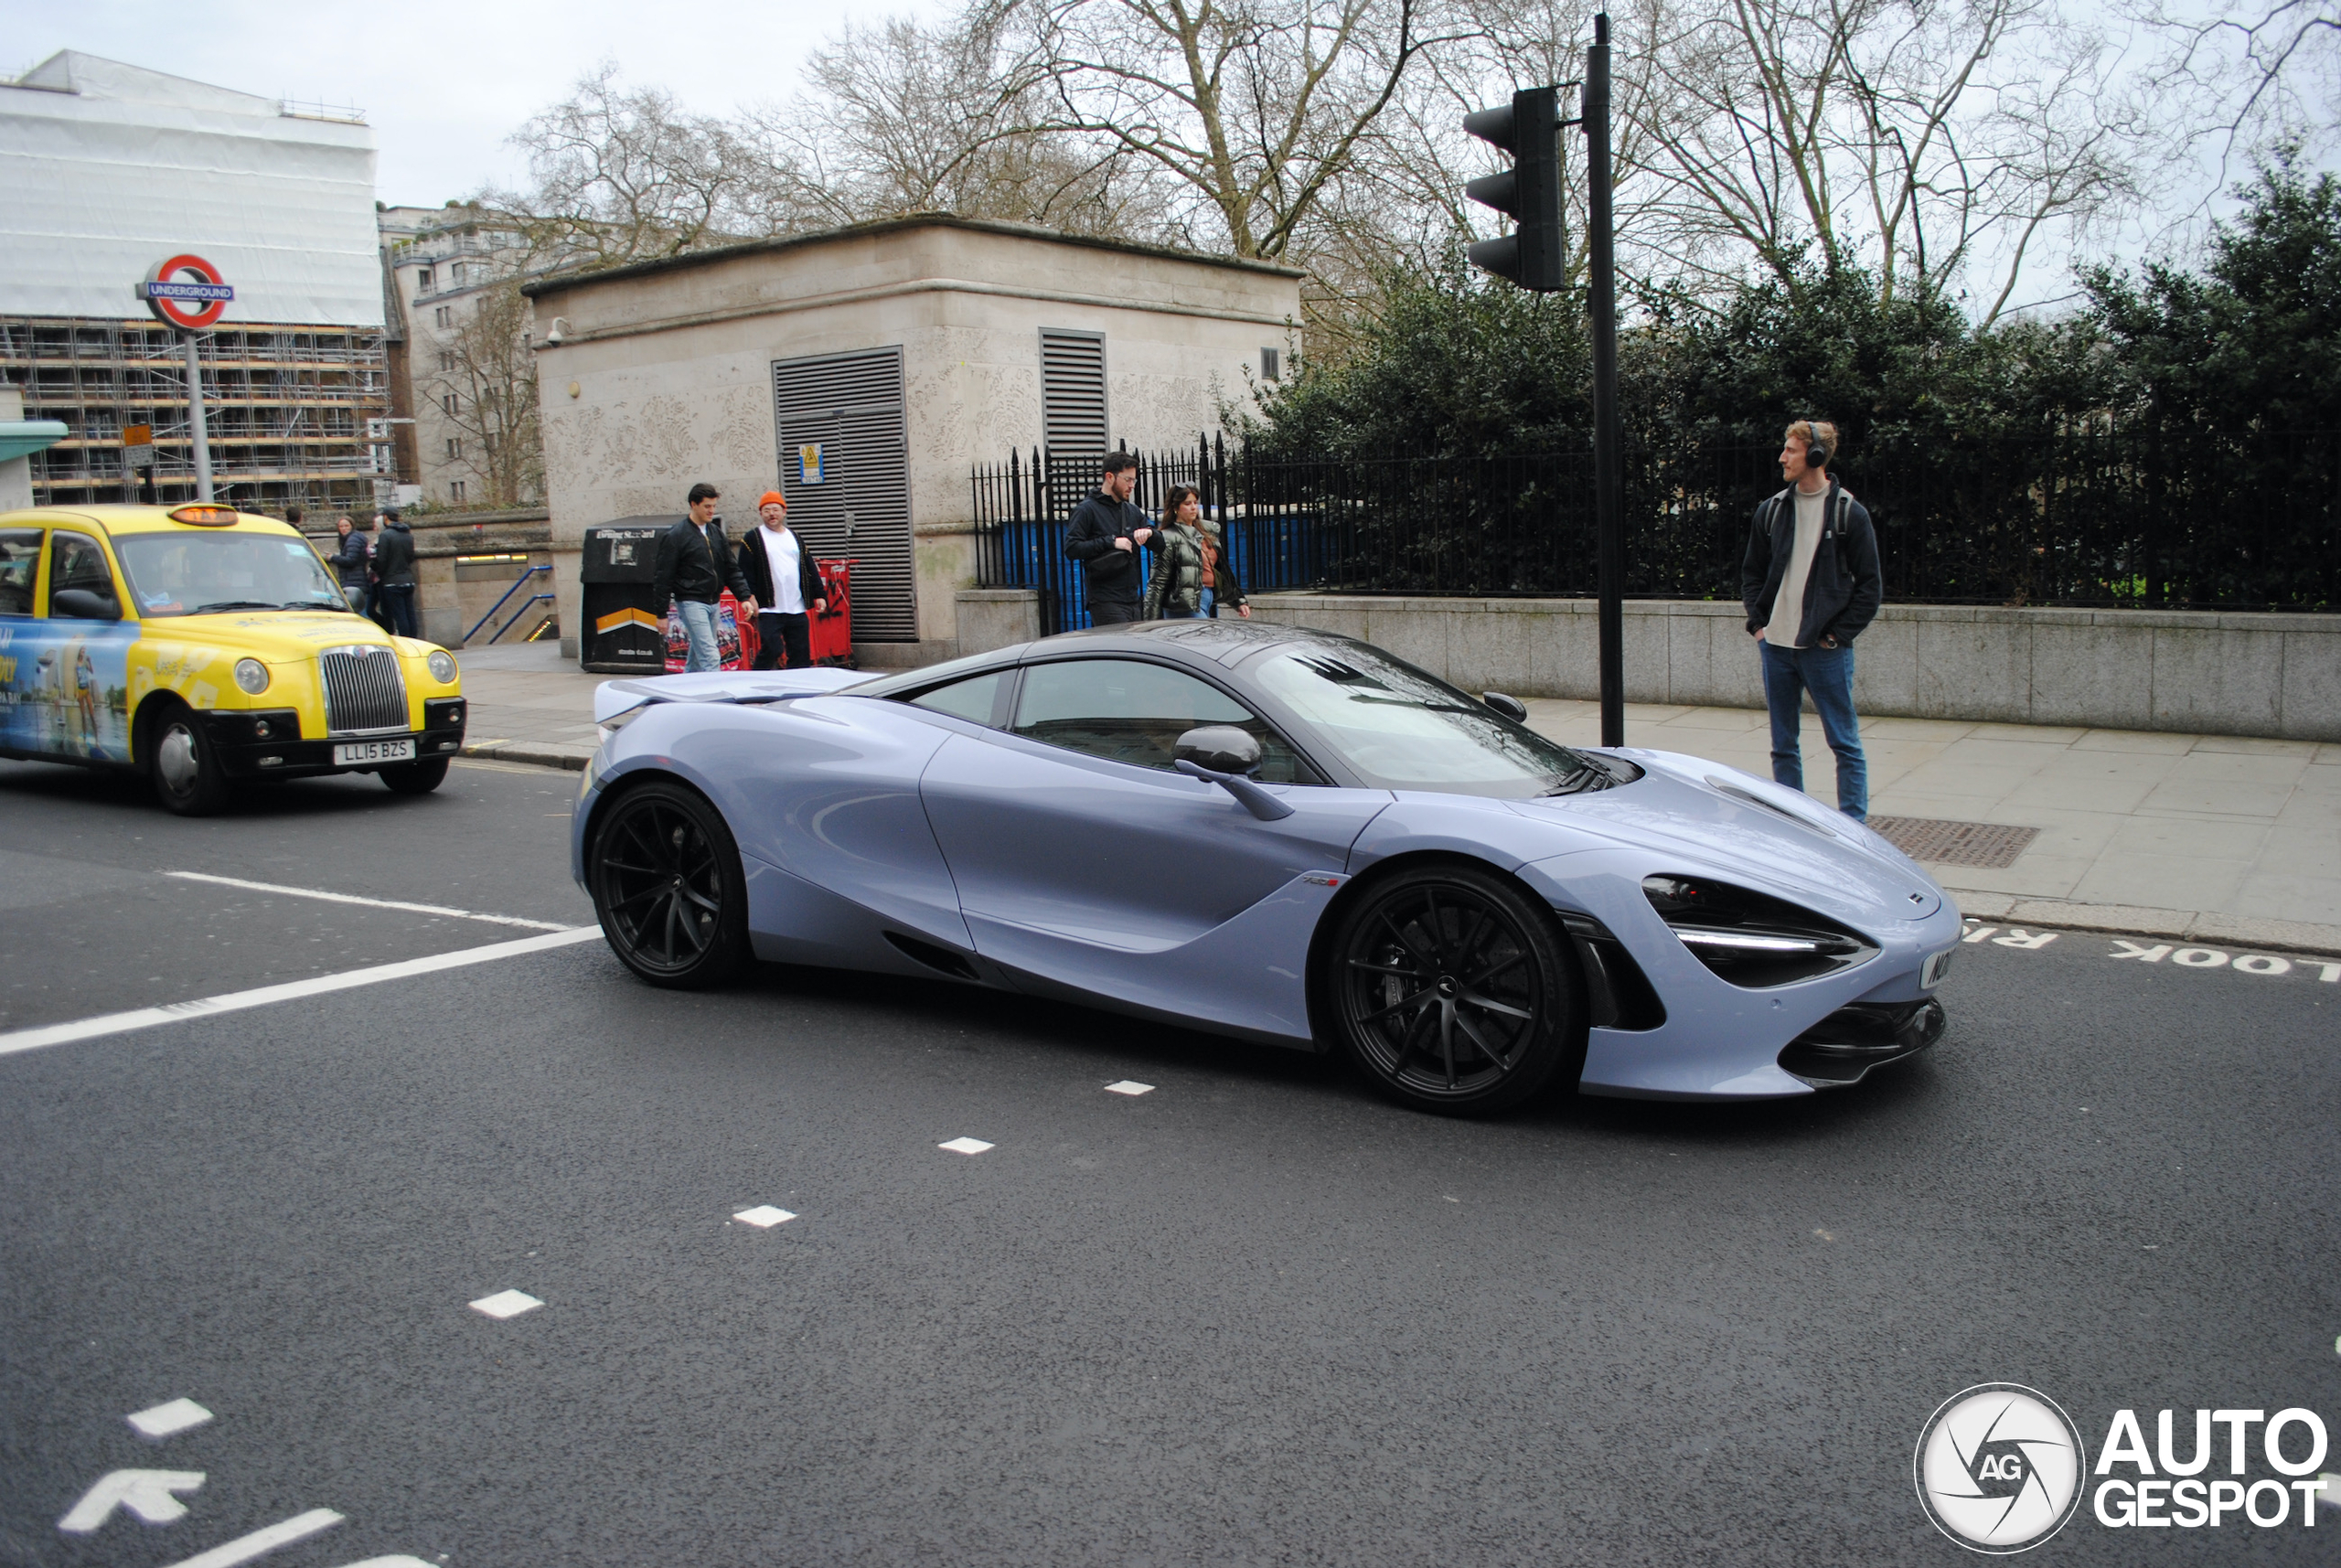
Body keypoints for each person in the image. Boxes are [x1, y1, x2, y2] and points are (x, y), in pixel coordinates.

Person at [1740, 419, 1883, 821]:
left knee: (1844, 743)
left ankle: (1855, 828)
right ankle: (1793, 823)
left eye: (1791, 450)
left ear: (1815, 456)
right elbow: (1752, 574)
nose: (1782, 457)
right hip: (1777, 648)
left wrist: (1836, 636)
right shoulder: (1772, 511)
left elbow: (1870, 587)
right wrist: (1759, 626)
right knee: (1783, 745)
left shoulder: (1848, 514)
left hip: (1824, 650)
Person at [652, 483, 756, 673]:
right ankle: (715, 695)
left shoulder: (715, 533)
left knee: (698, 654)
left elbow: (730, 568)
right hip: (691, 601)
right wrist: (661, 614)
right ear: (694, 504)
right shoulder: (676, 536)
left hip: (712, 601)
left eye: (714, 506)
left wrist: (744, 597)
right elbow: (663, 576)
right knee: (710, 654)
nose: (712, 511)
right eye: (707, 506)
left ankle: (685, 690)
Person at [1063, 452, 1152, 626]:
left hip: (1133, 599)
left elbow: (1159, 543)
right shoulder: (1086, 510)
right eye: (1128, 480)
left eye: (1134, 480)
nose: (1132, 485)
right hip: (1104, 599)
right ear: (1110, 477)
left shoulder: (1132, 511)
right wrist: (1110, 541)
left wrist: (1150, 533)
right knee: (1122, 649)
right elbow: (1072, 548)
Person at [738, 491, 826, 670]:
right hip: (768, 607)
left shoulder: (795, 537)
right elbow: (745, 571)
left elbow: (810, 567)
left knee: (800, 654)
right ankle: (754, 680)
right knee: (772, 648)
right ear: (761, 513)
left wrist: (819, 594)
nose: (772, 514)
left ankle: (797, 688)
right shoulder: (752, 538)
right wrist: (749, 596)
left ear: (784, 512)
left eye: (776, 510)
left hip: (796, 606)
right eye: (767, 510)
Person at [1143, 485, 1250, 622]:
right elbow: (1158, 582)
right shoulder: (1169, 537)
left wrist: (1238, 601)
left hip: (1206, 597)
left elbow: (1221, 571)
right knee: (1204, 639)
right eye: (1187, 504)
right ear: (1175, 508)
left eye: (1195, 502)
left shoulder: (1206, 530)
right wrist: (1150, 623)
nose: (1194, 507)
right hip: (1183, 605)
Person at [371, 507, 421, 638]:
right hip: (408, 579)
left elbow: (381, 560)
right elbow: (410, 557)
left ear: (386, 518)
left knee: (400, 616)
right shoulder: (408, 534)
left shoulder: (385, 535)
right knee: (410, 613)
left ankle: (406, 640)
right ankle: (414, 640)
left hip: (392, 581)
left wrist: (377, 570)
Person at [329, 514, 370, 616]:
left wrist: (333, 557)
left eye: (346, 526)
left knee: (360, 614)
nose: (343, 529)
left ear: (352, 526)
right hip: (355, 581)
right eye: (341, 526)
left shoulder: (353, 539)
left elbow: (350, 560)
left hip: (354, 583)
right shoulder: (352, 539)